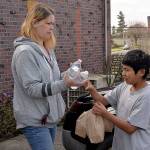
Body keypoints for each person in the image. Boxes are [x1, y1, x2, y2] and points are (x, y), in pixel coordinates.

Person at [11, 3, 77, 150]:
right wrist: (64, 84)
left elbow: (52, 79)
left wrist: (70, 73)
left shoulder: (47, 49)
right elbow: (32, 88)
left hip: (49, 117)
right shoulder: (25, 52)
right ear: (34, 23)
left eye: (53, 23)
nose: (52, 27)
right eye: (48, 23)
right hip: (35, 120)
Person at [84, 49, 150, 150]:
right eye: (123, 69)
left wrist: (105, 114)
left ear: (141, 72)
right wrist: (92, 90)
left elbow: (130, 128)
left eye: (127, 70)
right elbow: (103, 101)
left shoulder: (146, 96)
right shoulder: (124, 86)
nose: (123, 73)